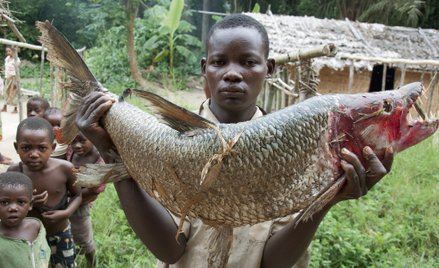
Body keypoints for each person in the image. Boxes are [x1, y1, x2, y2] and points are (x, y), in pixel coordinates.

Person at [75, 14, 393, 268]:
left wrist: (328, 199)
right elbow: (170, 250)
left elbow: (273, 261)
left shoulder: (294, 147)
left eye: (248, 62)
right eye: (220, 62)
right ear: (205, 69)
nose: (232, 73)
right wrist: (112, 153)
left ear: (268, 69)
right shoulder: (171, 142)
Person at [7, 116, 82, 268]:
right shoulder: (15, 172)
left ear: (53, 147)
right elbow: (7, 204)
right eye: (26, 148)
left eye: (42, 148)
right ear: (16, 147)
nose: (34, 154)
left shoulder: (65, 169)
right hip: (28, 236)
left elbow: (78, 195)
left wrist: (66, 213)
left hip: (60, 233)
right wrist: (28, 203)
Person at [66, 131, 106, 268]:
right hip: (67, 198)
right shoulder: (70, 151)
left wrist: (73, 196)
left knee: (84, 238)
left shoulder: (98, 161)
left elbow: (95, 189)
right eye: (73, 141)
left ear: (93, 138)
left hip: (81, 203)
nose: (77, 145)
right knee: (66, 231)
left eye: (82, 141)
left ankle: (92, 263)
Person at [0, 171, 51, 267]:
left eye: (20, 202)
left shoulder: (37, 227)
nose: (13, 208)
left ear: (30, 204)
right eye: (4, 202)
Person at [2, 46, 21, 113]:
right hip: (7, 78)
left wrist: (13, 77)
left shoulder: (16, 60)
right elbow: (7, 68)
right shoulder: (7, 59)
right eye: (7, 51)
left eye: (9, 51)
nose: (8, 53)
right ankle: (5, 107)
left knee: (14, 93)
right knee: (6, 92)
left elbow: (17, 71)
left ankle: (15, 109)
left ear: (13, 51)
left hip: (14, 78)